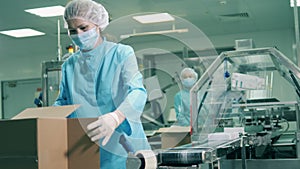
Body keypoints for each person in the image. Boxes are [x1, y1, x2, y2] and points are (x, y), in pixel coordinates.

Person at [53, 0, 150, 168]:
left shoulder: (121, 53)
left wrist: (116, 117)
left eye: (84, 28)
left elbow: (137, 91)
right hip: (86, 145)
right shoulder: (68, 65)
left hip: (123, 146)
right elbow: (64, 102)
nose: (78, 34)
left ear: (98, 25)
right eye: (72, 31)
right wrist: (47, 118)